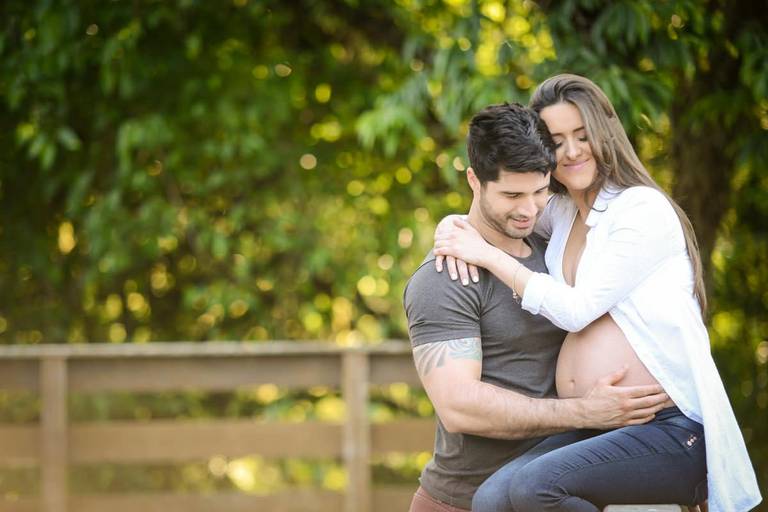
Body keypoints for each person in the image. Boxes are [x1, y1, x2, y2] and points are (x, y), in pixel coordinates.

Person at [433, 74, 761, 512]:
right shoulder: (563, 214)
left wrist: (489, 257)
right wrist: (453, 225)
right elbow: (500, 213)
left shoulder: (640, 209)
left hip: (667, 427)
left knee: (534, 488)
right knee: (490, 500)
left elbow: (577, 309)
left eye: (582, 135)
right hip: (598, 424)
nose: (571, 151)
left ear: (604, 134)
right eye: (557, 141)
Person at [403, 102, 671, 512]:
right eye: (512, 194)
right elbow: (459, 407)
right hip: (464, 500)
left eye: (540, 191)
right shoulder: (445, 276)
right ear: (474, 180)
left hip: (556, 490)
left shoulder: (555, 247)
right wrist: (584, 412)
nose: (529, 209)